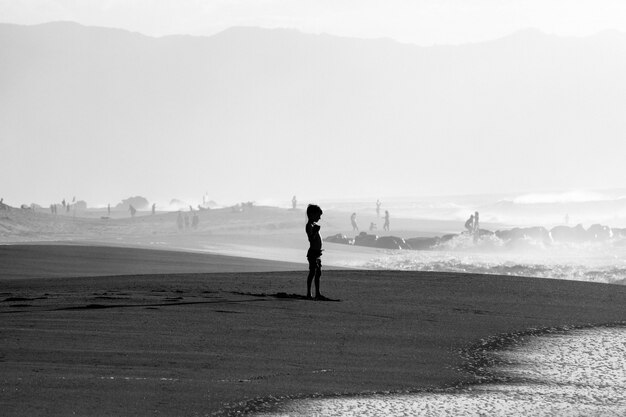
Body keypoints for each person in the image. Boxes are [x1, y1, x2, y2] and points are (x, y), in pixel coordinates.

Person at [305, 204, 324, 300]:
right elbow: (311, 239)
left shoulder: (314, 225)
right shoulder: (309, 226)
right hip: (312, 253)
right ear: (311, 214)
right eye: (318, 216)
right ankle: (309, 293)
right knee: (313, 272)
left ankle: (318, 293)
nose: (319, 218)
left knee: (318, 272)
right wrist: (315, 231)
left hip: (317, 253)